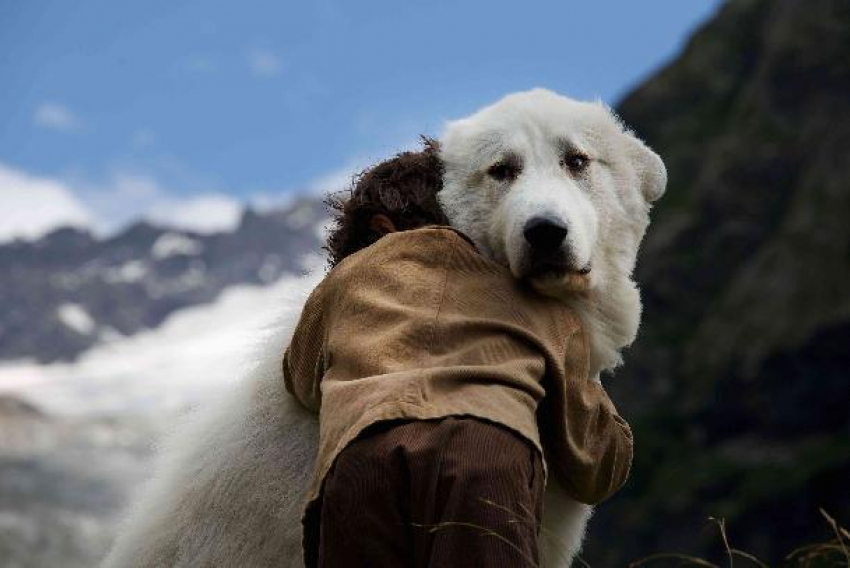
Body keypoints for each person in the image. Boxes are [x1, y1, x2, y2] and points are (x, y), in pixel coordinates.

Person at [283, 141, 633, 567]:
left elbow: (300, 378)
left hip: (362, 457)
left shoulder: (348, 279)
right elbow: (592, 461)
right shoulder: (532, 296)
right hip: (484, 452)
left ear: (380, 229)